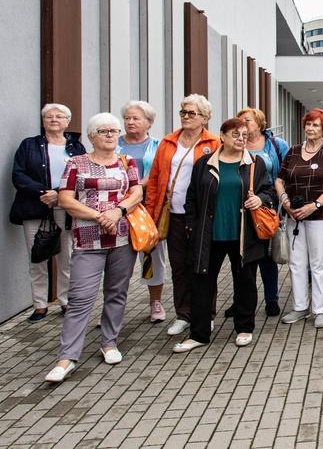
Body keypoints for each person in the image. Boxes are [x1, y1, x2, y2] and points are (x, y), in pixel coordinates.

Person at [45, 113, 143, 382]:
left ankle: (109, 343)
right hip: (88, 239)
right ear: (91, 136)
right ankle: (66, 357)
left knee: (117, 292)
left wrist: (118, 211)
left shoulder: (127, 161)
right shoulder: (76, 163)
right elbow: (65, 199)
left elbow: (137, 193)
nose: (111, 135)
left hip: (122, 238)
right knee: (80, 299)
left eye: (114, 130)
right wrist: (100, 215)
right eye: (104, 131)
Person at [171, 118, 275, 353]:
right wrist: (192, 226)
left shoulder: (255, 163)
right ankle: (198, 333)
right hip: (209, 234)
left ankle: (244, 328)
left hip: (242, 233)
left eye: (245, 136)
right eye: (236, 135)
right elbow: (192, 197)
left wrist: (260, 199)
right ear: (223, 136)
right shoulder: (205, 163)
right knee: (201, 283)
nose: (241, 139)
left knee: (245, 282)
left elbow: (267, 191)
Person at [145, 94, 220, 336]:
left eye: (192, 113)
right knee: (179, 267)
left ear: (205, 118)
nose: (186, 117)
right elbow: (155, 179)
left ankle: (205, 314)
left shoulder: (215, 143)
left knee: (203, 266)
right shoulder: (168, 142)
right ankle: (184, 314)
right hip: (173, 213)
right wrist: (150, 212)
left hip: (202, 215)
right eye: (183, 112)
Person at [11, 103, 86, 322]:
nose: (54, 120)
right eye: (49, 116)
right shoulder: (28, 145)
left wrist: (58, 194)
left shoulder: (76, 148)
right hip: (35, 207)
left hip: (66, 208)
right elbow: (19, 175)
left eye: (59, 116)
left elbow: (82, 177)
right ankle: (40, 305)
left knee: (67, 256)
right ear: (43, 121)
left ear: (67, 121)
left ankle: (65, 301)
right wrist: (44, 193)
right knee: (37, 257)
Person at [278, 109, 323, 329]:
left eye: (315, 125)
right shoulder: (293, 152)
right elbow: (279, 180)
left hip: (321, 217)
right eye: (308, 124)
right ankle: (299, 307)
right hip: (294, 216)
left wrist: (313, 205)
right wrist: (286, 202)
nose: (310, 129)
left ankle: (320, 309)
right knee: (296, 263)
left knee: (319, 263)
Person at [232, 107, 290, 317]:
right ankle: (239, 300)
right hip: (240, 207)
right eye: (240, 121)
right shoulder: (235, 143)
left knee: (267, 255)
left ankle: (271, 299)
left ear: (259, 122)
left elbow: (286, 173)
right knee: (240, 256)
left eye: (247, 120)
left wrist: (284, 201)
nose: (243, 124)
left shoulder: (276, 145)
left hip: (267, 205)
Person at [115, 100, 167, 323]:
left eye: (135, 118)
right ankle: (114, 308)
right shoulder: (113, 143)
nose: (130, 122)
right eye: (127, 118)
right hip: (117, 210)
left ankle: (155, 303)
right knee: (118, 260)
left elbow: (159, 173)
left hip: (147, 208)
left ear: (148, 122)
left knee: (152, 256)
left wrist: (135, 187)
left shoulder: (158, 145)